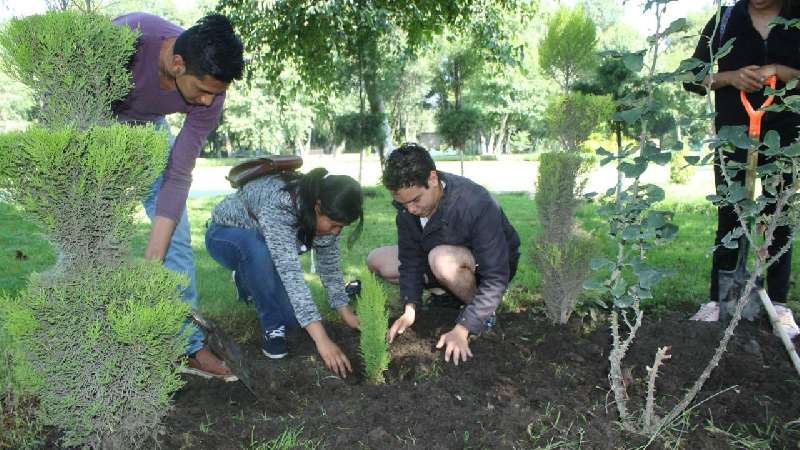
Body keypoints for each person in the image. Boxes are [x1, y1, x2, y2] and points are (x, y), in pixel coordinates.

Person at [112, 12, 245, 379]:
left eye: (215, 94)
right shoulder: (131, 39)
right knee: (93, 232)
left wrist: (153, 261)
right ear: (176, 63)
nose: (206, 102)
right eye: (202, 90)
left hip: (147, 127)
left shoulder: (210, 94)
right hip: (96, 119)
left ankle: (187, 347)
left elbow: (178, 175)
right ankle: (98, 343)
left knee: (177, 238)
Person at [684, 0, 800, 330]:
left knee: (779, 212)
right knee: (731, 211)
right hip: (734, 133)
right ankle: (720, 299)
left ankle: (777, 303)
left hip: (786, 135)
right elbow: (692, 76)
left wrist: (784, 73)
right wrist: (730, 77)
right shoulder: (725, 19)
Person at [367, 143, 521, 366]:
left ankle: (482, 313)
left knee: (441, 260)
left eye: (415, 200)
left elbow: (496, 276)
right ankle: (445, 293)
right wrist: (410, 308)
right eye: (403, 203)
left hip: (486, 265)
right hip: (437, 257)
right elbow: (410, 259)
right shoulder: (407, 210)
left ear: (432, 178)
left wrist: (463, 328)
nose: (410, 209)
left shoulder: (475, 202)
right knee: (377, 260)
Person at [205, 168, 363, 378]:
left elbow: (330, 268)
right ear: (317, 207)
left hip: (263, 250)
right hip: (224, 236)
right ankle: (271, 327)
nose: (336, 232)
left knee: (293, 320)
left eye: (341, 227)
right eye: (334, 225)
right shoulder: (280, 205)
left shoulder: (327, 215)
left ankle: (246, 278)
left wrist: (346, 314)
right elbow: (291, 274)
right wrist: (322, 341)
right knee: (257, 248)